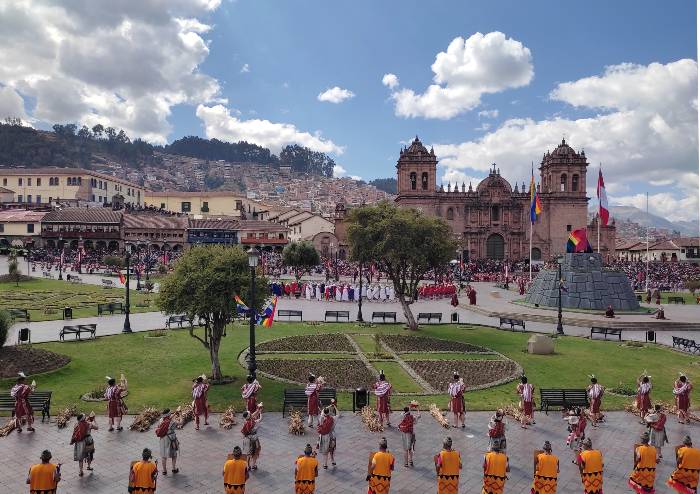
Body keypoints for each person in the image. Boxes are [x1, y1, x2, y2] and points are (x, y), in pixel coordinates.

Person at [155, 408, 179, 475]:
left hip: (162, 439)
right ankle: (174, 469)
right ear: (169, 414)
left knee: (163, 455)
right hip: (171, 439)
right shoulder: (172, 422)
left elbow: (160, 426)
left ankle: (164, 471)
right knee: (174, 454)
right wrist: (180, 415)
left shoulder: (161, 420)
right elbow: (180, 423)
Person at [241, 405, 263, 471]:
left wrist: (258, 410)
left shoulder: (246, 420)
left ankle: (248, 466)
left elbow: (252, 415)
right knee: (255, 452)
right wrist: (261, 413)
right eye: (250, 414)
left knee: (248, 453)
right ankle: (253, 465)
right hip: (254, 439)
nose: (251, 414)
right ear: (249, 416)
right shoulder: (253, 422)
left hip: (247, 439)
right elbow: (260, 419)